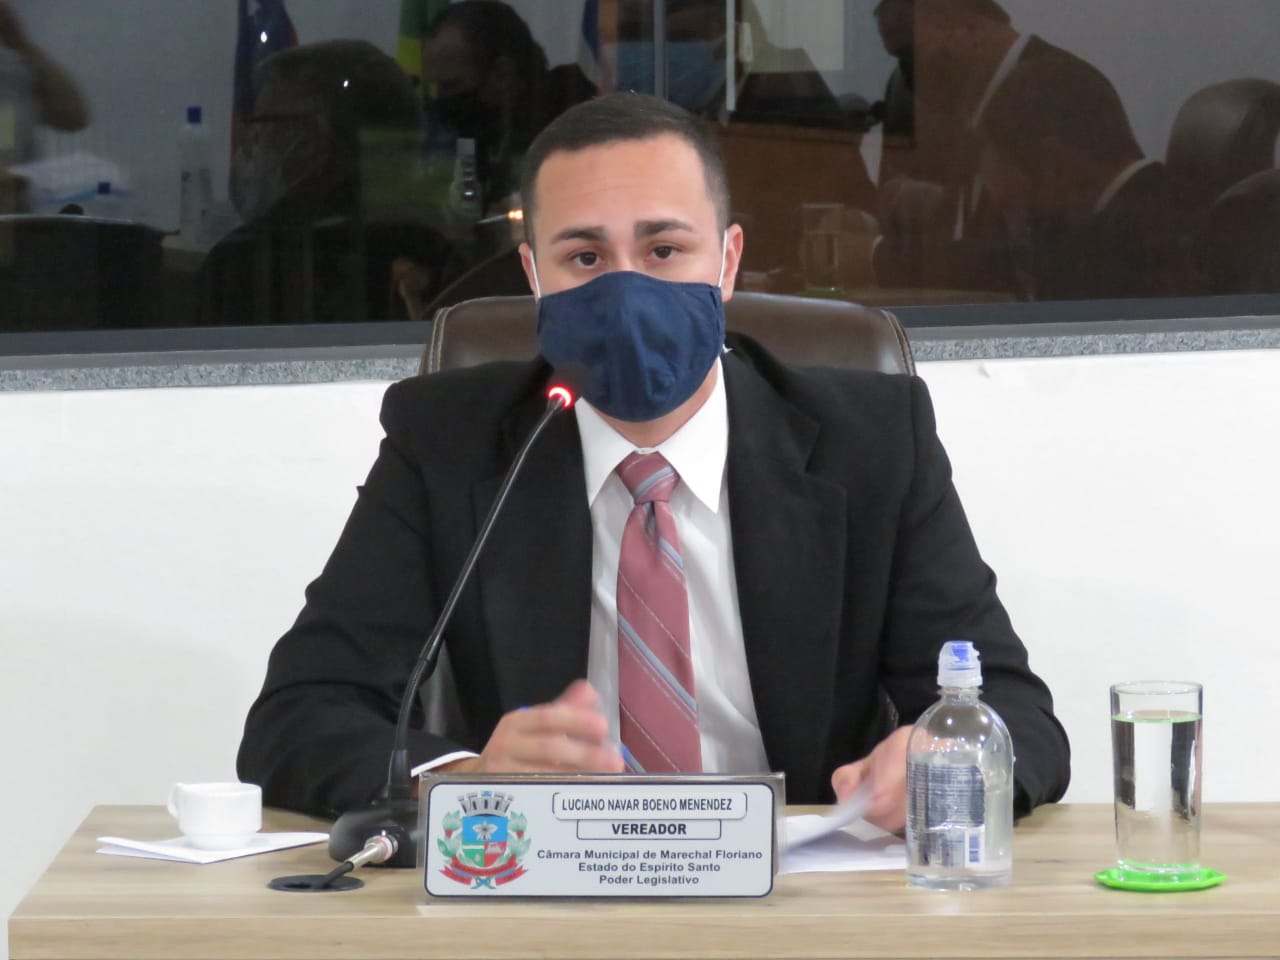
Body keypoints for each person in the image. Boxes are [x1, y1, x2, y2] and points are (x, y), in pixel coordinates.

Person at [237, 92, 1070, 832]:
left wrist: (945, 760)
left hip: (797, 896)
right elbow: (299, 715)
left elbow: (1015, 715)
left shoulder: (873, 443)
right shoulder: (450, 441)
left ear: (728, 262)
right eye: (585, 258)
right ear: (533, 275)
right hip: (548, 896)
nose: (626, 290)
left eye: (665, 249)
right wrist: (462, 780)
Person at [201, 40, 464, 325]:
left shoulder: (246, 263)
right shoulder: (439, 255)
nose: (249, 143)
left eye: (261, 126)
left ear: (309, 143)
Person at [978, 57, 1195, 301]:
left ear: (1054, 165)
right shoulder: (1177, 212)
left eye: (1014, 208)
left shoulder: (1110, 268)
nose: (1017, 231)